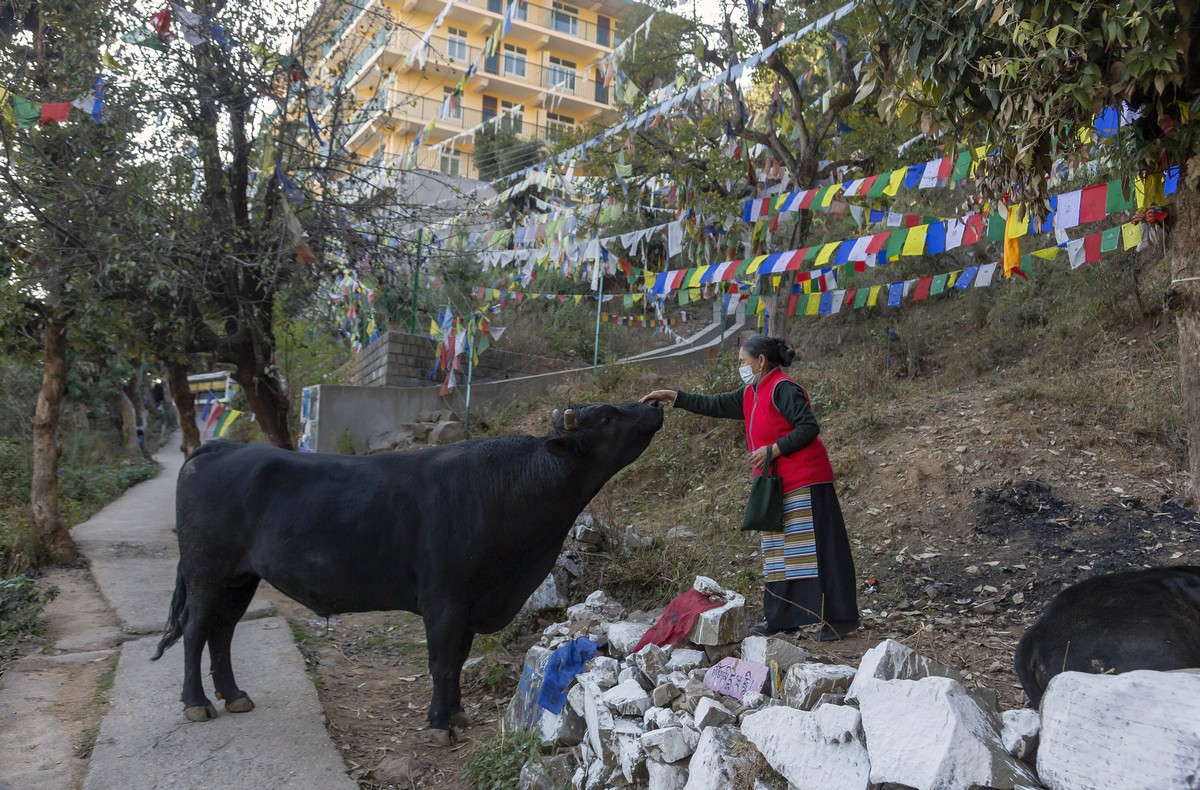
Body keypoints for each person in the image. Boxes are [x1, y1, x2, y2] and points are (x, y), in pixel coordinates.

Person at [641, 335, 859, 641]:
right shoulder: (751, 393)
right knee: (779, 552)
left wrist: (774, 449)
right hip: (776, 484)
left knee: (821, 551)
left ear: (761, 361)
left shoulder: (783, 388)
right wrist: (674, 396)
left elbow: (808, 427)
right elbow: (713, 403)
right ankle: (784, 618)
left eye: (743, 361)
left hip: (807, 481)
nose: (740, 367)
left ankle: (840, 618)